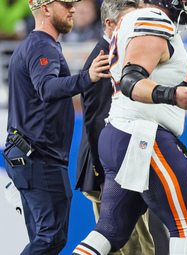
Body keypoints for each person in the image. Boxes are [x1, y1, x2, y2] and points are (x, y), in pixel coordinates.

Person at [72, 0, 187, 254]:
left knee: (111, 229)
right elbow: (131, 81)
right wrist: (173, 95)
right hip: (143, 135)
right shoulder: (154, 19)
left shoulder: (132, 21)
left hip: (122, 132)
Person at [2, 0, 111, 254]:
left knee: (44, 238)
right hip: (39, 159)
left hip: (28, 157)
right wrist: (87, 77)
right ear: (45, 8)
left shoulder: (34, 45)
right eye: (66, 4)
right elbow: (47, 88)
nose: (73, 8)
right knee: (51, 239)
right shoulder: (42, 46)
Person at [75, 0, 155, 254]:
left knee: (139, 244)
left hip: (125, 168)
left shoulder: (119, 55)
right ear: (109, 24)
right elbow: (97, 121)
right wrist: (104, 175)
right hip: (111, 173)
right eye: (128, 22)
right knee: (130, 246)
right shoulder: (103, 62)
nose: (135, 28)